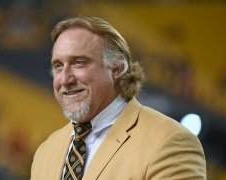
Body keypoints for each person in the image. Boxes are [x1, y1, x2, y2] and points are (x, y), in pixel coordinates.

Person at [31, 16, 206, 180]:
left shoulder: (170, 141)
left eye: (79, 62)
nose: (64, 79)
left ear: (116, 69)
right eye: (58, 66)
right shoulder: (46, 150)